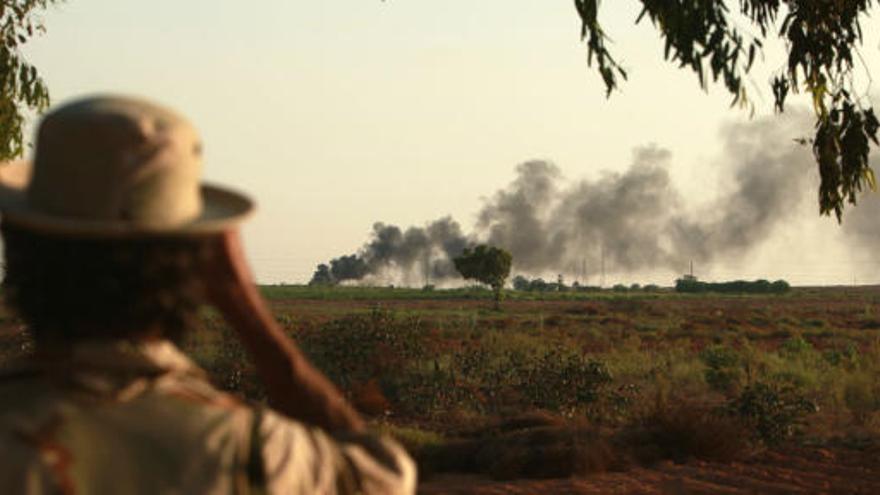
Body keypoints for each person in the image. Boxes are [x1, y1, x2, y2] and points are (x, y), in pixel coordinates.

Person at [0, 96, 416, 494]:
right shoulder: (255, 451)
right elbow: (382, 476)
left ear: (19, 254)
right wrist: (244, 306)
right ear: (196, 267)